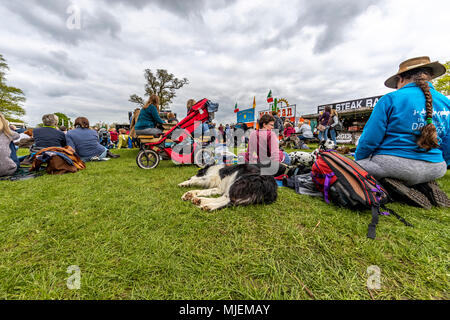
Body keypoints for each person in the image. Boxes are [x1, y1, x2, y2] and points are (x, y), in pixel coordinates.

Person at [355, 56, 450, 208]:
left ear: (401, 79)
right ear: (430, 76)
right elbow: (448, 144)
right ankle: (423, 183)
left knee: (349, 166)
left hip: (393, 167)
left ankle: (394, 182)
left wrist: (360, 162)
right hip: (436, 168)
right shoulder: (447, 103)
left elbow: (369, 140)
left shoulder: (390, 99)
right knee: (419, 172)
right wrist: (441, 162)